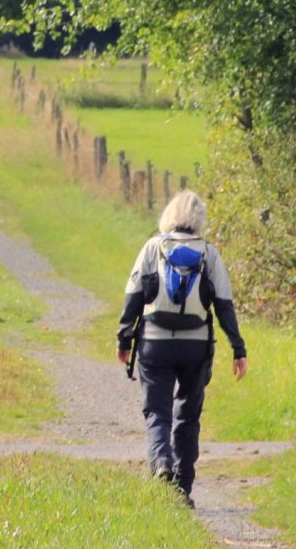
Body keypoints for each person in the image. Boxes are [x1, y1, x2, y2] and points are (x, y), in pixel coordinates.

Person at [115, 190, 247, 507]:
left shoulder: (152, 248)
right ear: (199, 219)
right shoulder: (209, 254)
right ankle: (182, 489)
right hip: (196, 344)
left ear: (169, 215)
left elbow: (133, 296)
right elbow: (224, 306)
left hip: (154, 343)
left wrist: (124, 338)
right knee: (188, 417)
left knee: (157, 412)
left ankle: (162, 464)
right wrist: (237, 349)